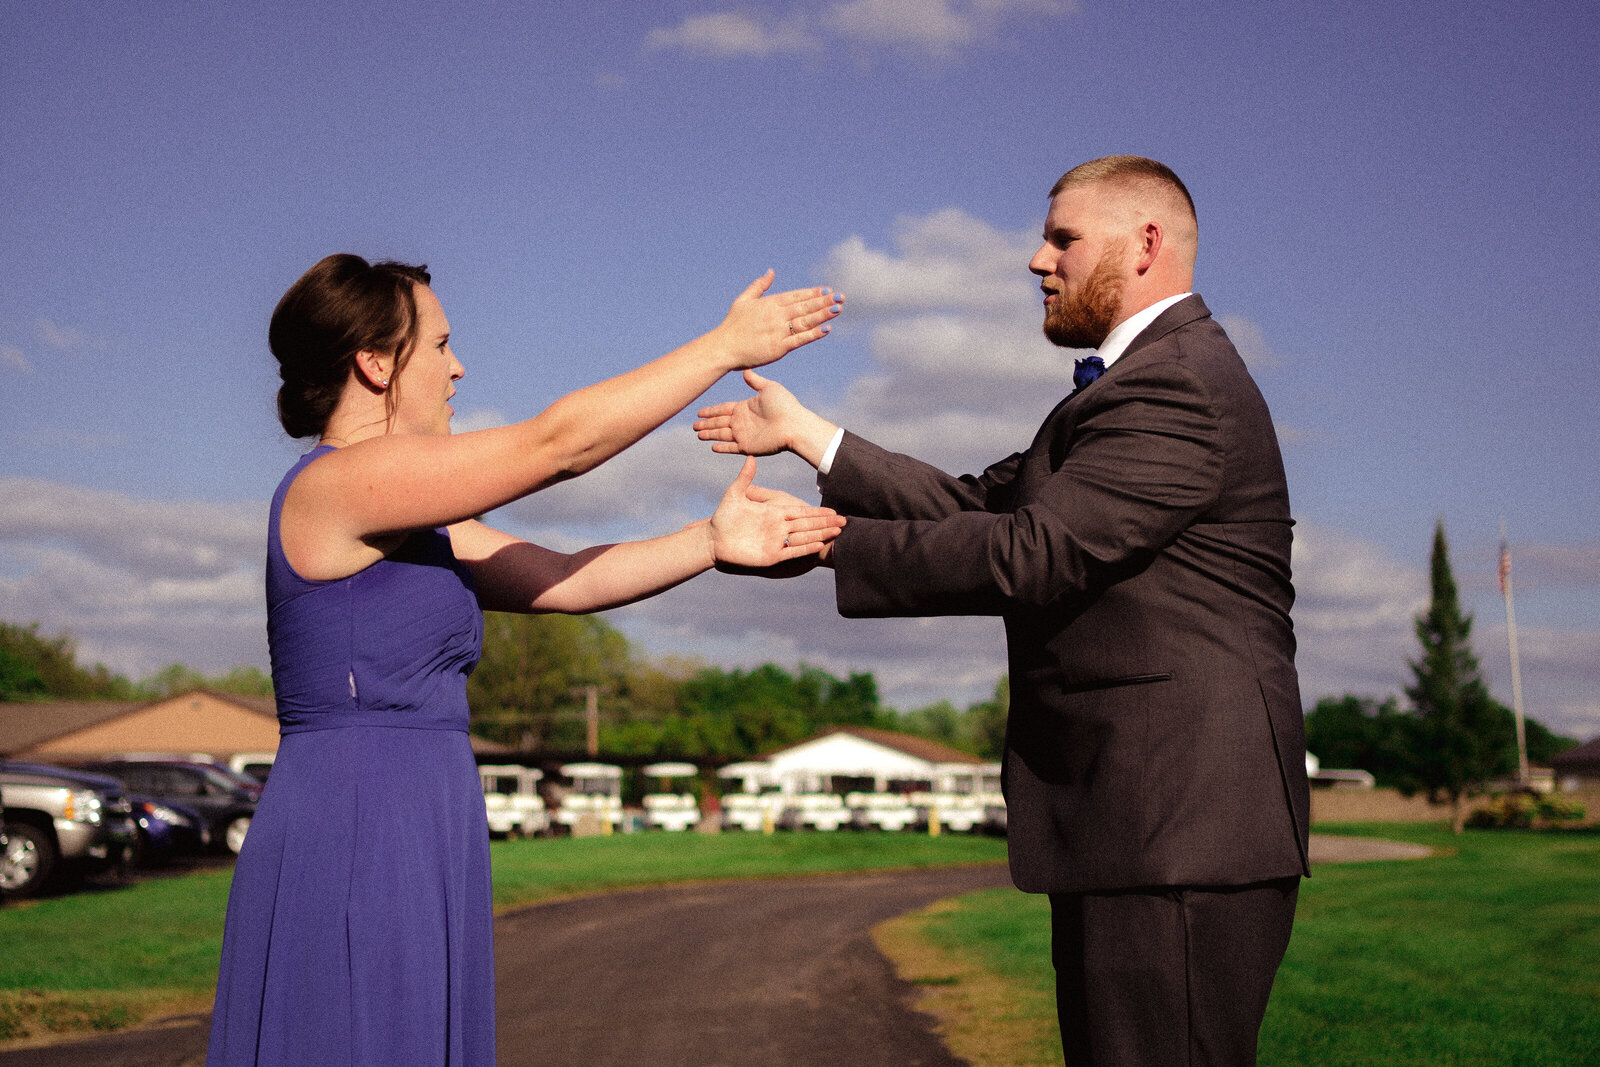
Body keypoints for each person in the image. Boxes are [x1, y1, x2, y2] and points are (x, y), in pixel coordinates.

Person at [694, 156, 1310, 1065]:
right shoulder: (1128, 385)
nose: (1036, 259)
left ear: (1146, 244)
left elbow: (1035, 552)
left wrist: (826, 542)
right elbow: (982, 508)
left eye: (1062, 238)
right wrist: (808, 437)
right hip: (1143, 826)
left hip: (1179, 828)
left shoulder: (1175, 384)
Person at [207, 253, 845, 1066]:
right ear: (373, 362)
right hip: (357, 820)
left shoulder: (422, 523)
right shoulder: (336, 487)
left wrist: (710, 543)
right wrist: (723, 346)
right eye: (439, 346)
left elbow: (561, 581)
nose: (458, 366)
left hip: (426, 811)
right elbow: (558, 445)